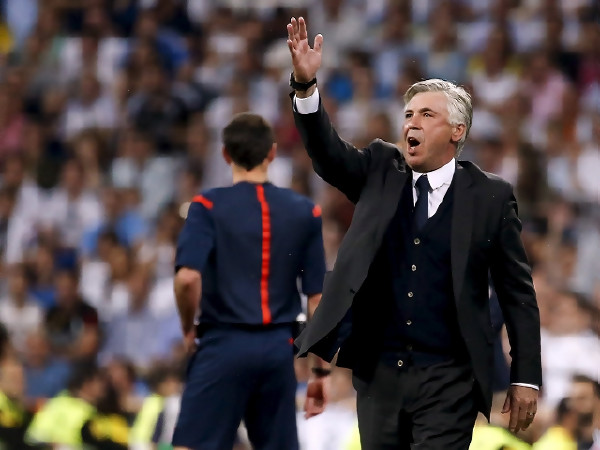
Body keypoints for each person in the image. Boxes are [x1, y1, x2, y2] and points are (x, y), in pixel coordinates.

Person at [286, 16, 542, 449]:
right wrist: (306, 87)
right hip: (378, 373)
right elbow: (327, 154)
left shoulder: (491, 197)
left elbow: (517, 293)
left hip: (451, 378)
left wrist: (526, 377)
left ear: (457, 131)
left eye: (426, 114)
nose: (411, 123)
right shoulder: (379, 169)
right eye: (407, 115)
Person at [171, 112, 326, 450]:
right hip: (278, 349)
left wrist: (187, 327)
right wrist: (319, 372)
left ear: (226, 155)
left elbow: (187, 278)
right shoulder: (305, 211)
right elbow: (317, 300)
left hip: (222, 343)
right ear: (272, 153)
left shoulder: (207, 206)